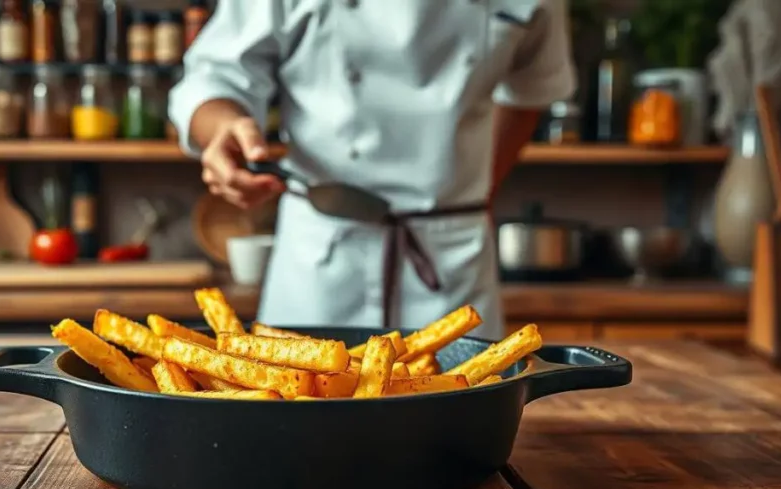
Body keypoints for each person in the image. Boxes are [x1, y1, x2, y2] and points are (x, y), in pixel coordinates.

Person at [169, 0, 575, 339]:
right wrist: (223, 129)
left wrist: (480, 191)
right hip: (322, 257)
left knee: (460, 420)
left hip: (452, 255)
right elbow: (214, 78)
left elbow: (532, 88)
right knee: (296, 418)